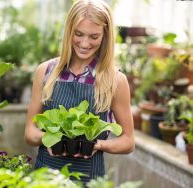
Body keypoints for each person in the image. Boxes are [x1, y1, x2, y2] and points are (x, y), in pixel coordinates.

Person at [24, 0, 135, 184]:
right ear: (69, 32)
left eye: (94, 37)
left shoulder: (115, 80)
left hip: (89, 178)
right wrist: (48, 139)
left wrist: (97, 144)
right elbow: (29, 132)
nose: (84, 43)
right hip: (45, 178)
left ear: (105, 36)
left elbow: (128, 141)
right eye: (79, 34)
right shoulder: (46, 72)